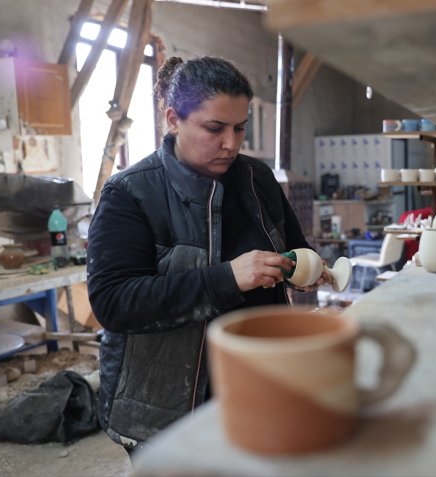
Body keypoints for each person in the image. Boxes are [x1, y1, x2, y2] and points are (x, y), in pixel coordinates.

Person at [86, 56, 326, 455]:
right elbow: (114, 303)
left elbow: (294, 248)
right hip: (169, 405)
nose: (231, 143)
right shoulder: (130, 194)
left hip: (258, 383)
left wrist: (305, 267)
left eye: (239, 128)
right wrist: (226, 278)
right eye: (214, 128)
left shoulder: (257, 178)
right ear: (173, 119)